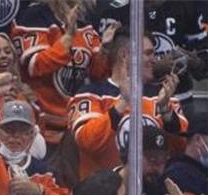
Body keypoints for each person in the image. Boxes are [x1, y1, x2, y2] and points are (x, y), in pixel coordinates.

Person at [67, 30, 187, 182]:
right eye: (147, 54)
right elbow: (88, 143)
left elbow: (180, 149)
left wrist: (166, 111)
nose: (154, 60)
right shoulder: (91, 94)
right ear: (124, 55)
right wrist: (123, 102)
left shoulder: (163, 96)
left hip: (151, 194)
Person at [10, 0, 116, 150]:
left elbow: (97, 74)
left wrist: (105, 48)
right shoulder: (34, 16)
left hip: (72, 127)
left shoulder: (84, 21)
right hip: (40, 128)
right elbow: (35, 65)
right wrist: (68, 38)